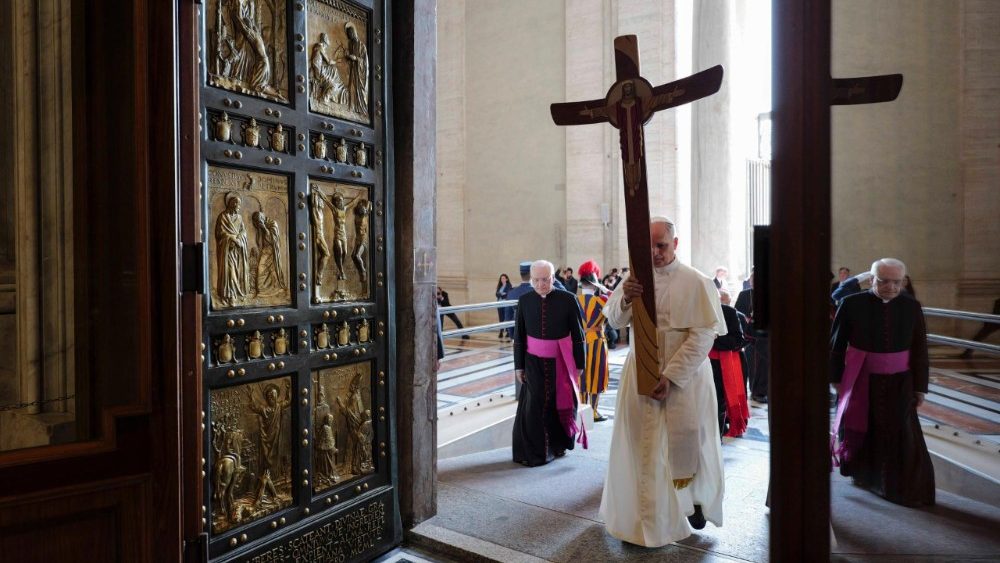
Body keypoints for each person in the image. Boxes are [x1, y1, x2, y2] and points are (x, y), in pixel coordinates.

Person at [600, 217, 726, 547]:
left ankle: (691, 503)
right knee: (641, 443)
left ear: (675, 244)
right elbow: (613, 320)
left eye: (662, 245)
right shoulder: (634, 279)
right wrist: (625, 298)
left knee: (687, 443)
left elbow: (704, 334)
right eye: (650, 246)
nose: (655, 252)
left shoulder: (698, 282)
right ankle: (644, 515)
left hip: (684, 377)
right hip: (640, 371)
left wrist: (671, 375)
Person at [831, 258, 934, 507]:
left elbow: (920, 349)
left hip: (901, 383)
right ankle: (866, 477)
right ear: (872, 279)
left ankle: (900, 487)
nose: (891, 287)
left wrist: (920, 387)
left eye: (897, 282)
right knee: (865, 428)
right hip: (861, 380)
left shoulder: (911, 306)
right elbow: (836, 346)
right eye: (884, 281)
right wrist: (836, 379)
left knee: (902, 433)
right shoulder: (851, 303)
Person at [512, 260, 586, 466]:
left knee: (557, 404)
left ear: (553, 278)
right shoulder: (525, 300)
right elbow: (519, 336)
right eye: (536, 280)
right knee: (534, 405)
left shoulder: (568, 299)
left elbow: (579, 336)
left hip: (560, 363)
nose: (540, 284)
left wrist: (579, 364)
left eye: (545, 279)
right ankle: (535, 453)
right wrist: (519, 366)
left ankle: (557, 446)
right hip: (533, 362)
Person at [710, 289, 750, 438]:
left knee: (718, 404)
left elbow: (738, 341)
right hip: (699, 364)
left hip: (721, 365)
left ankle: (716, 438)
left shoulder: (729, 313)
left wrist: (713, 339)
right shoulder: (694, 312)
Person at [577, 260, 611, 422]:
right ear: (595, 284)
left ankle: (582, 409)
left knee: (581, 376)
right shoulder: (602, 300)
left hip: (579, 341)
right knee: (597, 375)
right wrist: (604, 288)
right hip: (597, 341)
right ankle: (594, 411)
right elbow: (616, 298)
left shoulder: (574, 301)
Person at [736, 270, 768, 404]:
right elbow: (737, 310)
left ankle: (761, 391)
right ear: (750, 281)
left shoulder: (767, 293)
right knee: (752, 364)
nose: (754, 281)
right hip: (749, 334)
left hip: (763, 335)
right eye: (752, 279)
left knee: (763, 364)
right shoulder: (744, 294)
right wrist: (747, 318)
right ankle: (754, 391)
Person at [504, 262, 534, 340]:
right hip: (534, 334)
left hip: (517, 332)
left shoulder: (511, 292)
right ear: (532, 273)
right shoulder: (537, 291)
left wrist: (512, 335)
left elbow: (508, 316)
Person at [495, 274, 513, 339]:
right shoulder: (500, 286)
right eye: (501, 278)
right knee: (501, 318)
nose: (502, 279)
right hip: (499, 304)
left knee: (506, 318)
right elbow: (496, 294)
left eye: (503, 278)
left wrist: (501, 294)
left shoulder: (509, 286)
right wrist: (501, 294)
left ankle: (508, 332)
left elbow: (507, 294)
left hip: (505, 304)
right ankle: (501, 331)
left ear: (506, 279)